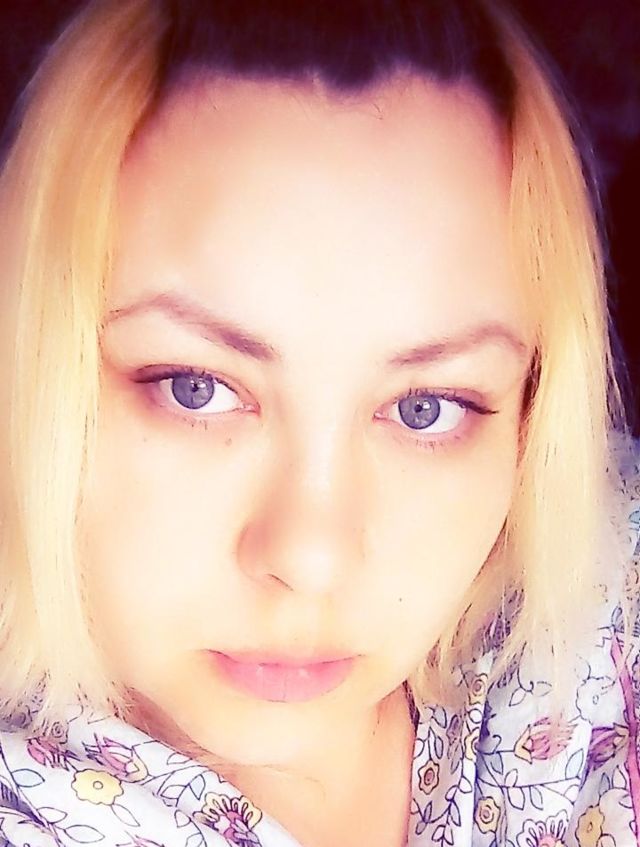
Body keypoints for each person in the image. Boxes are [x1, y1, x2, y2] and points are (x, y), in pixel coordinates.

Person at [0, 1, 637, 845]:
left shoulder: (609, 610)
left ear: (532, 414)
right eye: (195, 387)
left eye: (426, 408)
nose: (310, 560)